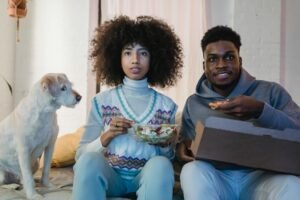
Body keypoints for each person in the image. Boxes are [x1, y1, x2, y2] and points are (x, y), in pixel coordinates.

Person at [177, 25, 300, 200]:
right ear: (204, 65)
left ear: (239, 61)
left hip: (262, 177)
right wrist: (181, 149)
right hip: (218, 178)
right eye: (213, 59)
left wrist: (260, 110)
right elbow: (188, 145)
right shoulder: (193, 102)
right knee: (191, 171)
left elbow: (297, 131)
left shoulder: (271, 91)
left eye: (228, 57)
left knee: (293, 185)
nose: (221, 65)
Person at [72, 15, 183, 200]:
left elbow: (168, 160)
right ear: (116, 56)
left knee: (161, 164)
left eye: (144, 53)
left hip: (145, 178)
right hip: (110, 177)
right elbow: (80, 156)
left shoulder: (167, 106)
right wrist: (107, 136)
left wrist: (164, 144)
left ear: (155, 58)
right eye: (128, 52)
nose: (135, 60)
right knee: (89, 161)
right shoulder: (102, 101)